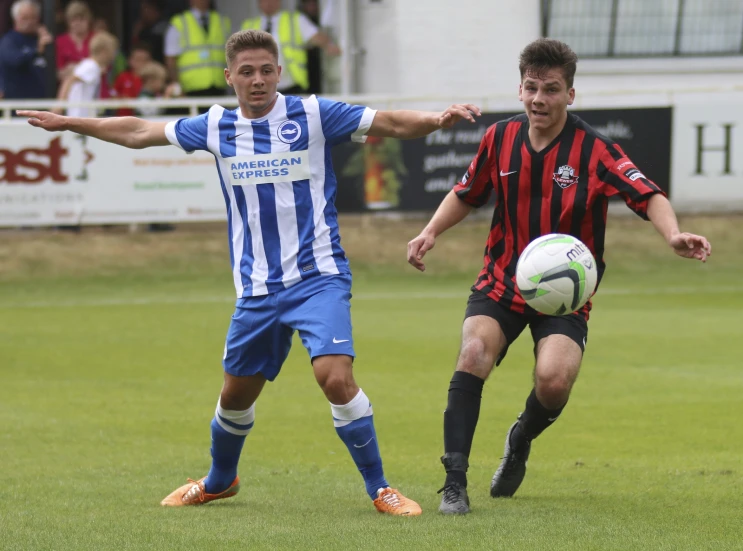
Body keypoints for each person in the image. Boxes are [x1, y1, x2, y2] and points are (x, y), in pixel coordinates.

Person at [18, 29, 481, 516]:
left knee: (334, 377)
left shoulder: (314, 114)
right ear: (229, 77)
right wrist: (69, 121)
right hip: (257, 290)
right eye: (246, 72)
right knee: (235, 396)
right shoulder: (216, 126)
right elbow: (138, 132)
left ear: (279, 72)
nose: (257, 80)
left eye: (265, 70)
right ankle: (221, 480)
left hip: (317, 276)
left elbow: (390, 122)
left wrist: (436, 119)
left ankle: (380, 488)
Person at [406, 38, 712, 515]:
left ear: (571, 94)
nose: (538, 100)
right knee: (473, 353)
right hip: (502, 280)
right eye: (531, 88)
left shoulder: (596, 150)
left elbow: (648, 195)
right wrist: (429, 233)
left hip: (565, 296)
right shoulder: (499, 138)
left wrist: (672, 235)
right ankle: (454, 483)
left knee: (552, 383)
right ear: (520, 88)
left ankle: (521, 437)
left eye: (551, 89)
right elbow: (467, 194)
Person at [241, 0, 340, 95]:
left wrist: (330, 46)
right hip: (259, 87)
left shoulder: (295, 20)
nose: (268, 2)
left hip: (291, 86)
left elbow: (318, 37)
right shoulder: (249, 25)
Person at [164, 0, 230, 106]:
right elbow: (171, 59)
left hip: (219, 86)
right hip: (190, 89)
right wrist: (177, 85)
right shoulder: (179, 22)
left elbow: (232, 54)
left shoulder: (222, 21)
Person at [57, 31, 119, 118]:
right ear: (104, 51)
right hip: (80, 118)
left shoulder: (91, 66)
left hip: (82, 117)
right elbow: (69, 80)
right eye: (112, 51)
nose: (113, 56)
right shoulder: (91, 66)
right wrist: (59, 106)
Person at [0, 0, 52, 101]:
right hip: (17, 105)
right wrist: (36, 51)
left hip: (43, 104)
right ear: (15, 19)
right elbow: (14, 60)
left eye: (33, 17)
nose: (29, 22)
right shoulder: (9, 40)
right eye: (25, 18)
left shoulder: (42, 38)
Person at [55, 1, 93, 83]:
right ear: (68, 22)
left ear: (88, 20)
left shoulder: (96, 39)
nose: (78, 23)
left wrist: (75, 68)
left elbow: (102, 68)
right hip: (70, 90)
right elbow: (58, 73)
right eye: (74, 20)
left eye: (82, 19)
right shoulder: (60, 42)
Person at [113, 44, 151, 116]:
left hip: (146, 119)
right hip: (123, 118)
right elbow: (113, 95)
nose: (141, 63)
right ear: (130, 60)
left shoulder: (152, 78)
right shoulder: (123, 76)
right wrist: (121, 98)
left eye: (144, 60)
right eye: (138, 59)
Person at [132, 0, 168, 64]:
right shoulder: (145, 28)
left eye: (145, 9)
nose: (142, 13)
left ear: (154, 10)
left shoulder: (161, 29)